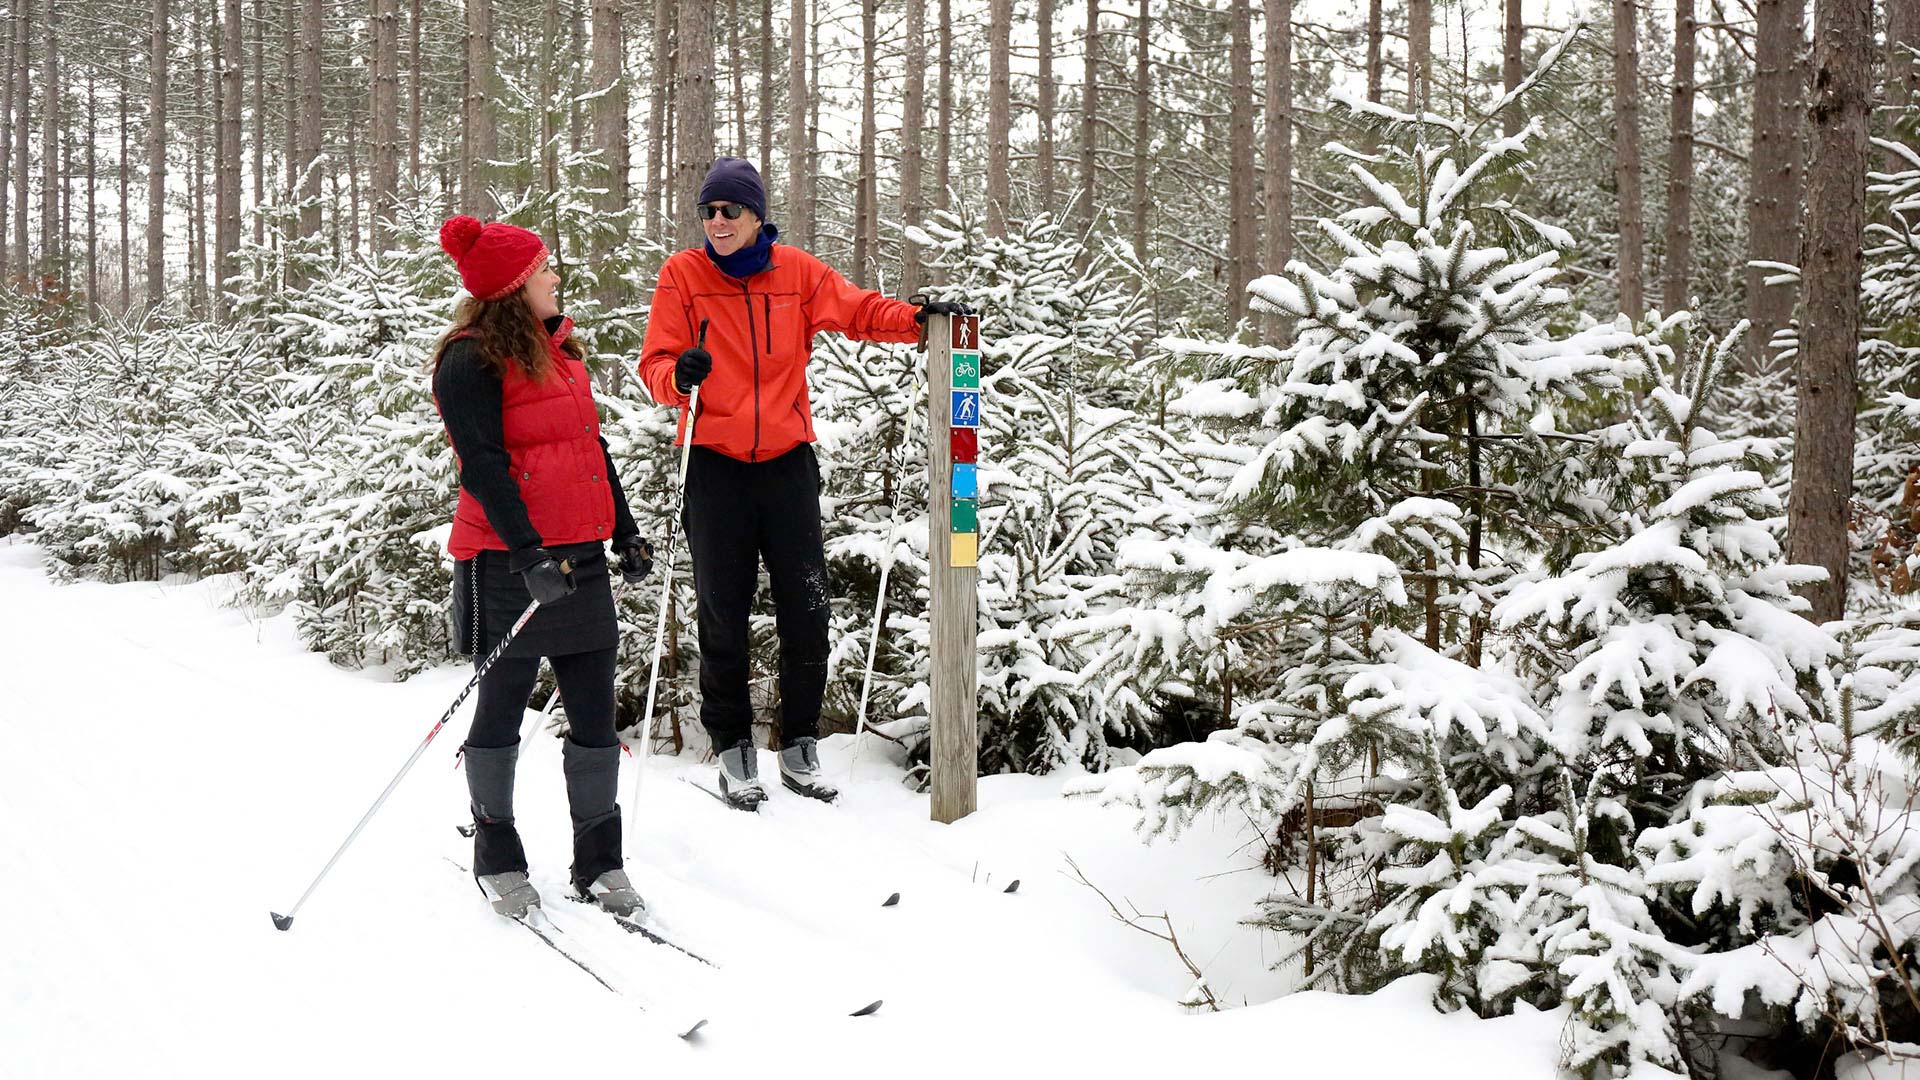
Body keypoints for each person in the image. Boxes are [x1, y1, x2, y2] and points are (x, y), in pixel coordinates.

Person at [637, 158, 971, 811]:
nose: (718, 222)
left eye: (730, 210)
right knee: (723, 611)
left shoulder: (796, 272)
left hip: (788, 461)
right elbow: (655, 365)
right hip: (714, 462)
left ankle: (797, 745)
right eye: (709, 211)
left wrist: (918, 320)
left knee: (808, 608)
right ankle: (732, 747)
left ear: (757, 214)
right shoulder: (683, 275)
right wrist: (682, 376)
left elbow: (857, 309)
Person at [432, 214, 656, 918]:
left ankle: (600, 861)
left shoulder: (560, 354)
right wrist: (527, 553)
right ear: (514, 287)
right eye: (544, 271)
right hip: (507, 563)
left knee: (593, 714)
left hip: (580, 561)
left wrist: (626, 531)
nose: (556, 277)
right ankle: (496, 853)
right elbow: (485, 469)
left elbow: (590, 451)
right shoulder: (468, 361)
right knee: (500, 710)